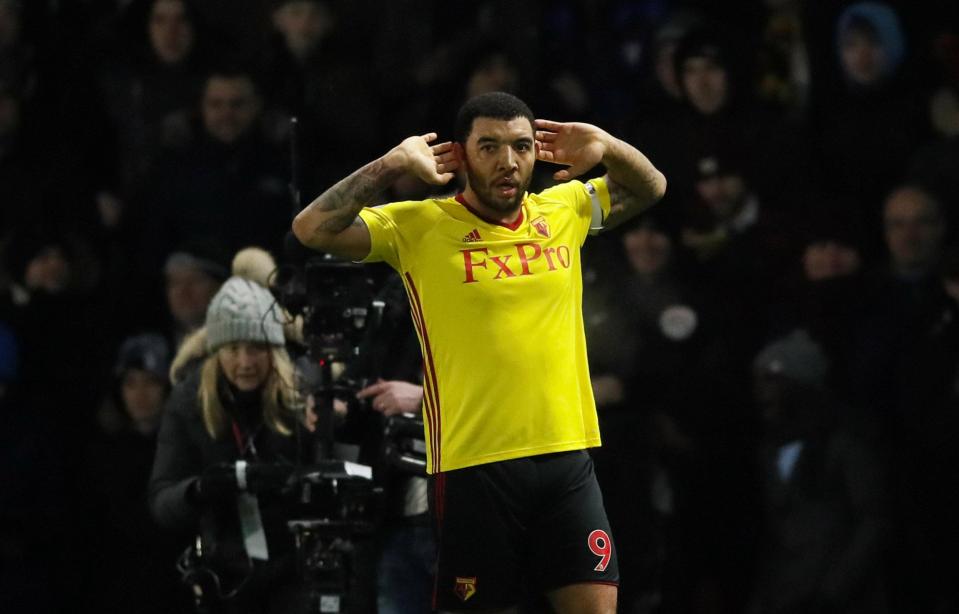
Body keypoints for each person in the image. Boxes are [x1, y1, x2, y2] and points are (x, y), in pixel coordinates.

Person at [293, 91, 666, 612]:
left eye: (520, 146)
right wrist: (392, 164)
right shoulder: (419, 226)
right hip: (475, 469)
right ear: (461, 155)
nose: (507, 161)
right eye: (488, 147)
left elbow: (652, 186)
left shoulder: (565, 210)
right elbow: (311, 228)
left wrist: (606, 147)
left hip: (565, 459)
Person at [149, 269, 312, 613]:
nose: (245, 362)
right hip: (226, 575)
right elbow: (162, 500)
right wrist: (199, 489)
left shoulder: (302, 397)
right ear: (216, 352)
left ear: (274, 351)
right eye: (233, 348)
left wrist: (297, 481)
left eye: (256, 348)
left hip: (298, 570)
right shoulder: (189, 401)